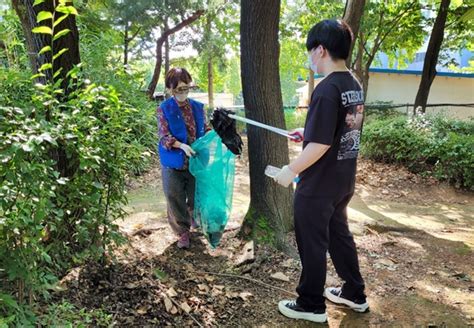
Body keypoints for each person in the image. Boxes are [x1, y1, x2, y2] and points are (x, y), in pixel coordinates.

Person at [274, 19, 369, 323]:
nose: (309, 57)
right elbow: (341, 129)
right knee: (339, 235)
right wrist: (309, 130)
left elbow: (321, 146)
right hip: (343, 180)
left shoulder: (326, 89)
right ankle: (354, 293)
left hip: (318, 185)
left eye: (310, 51)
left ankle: (310, 304)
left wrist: (290, 169)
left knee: (312, 242)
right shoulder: (352, 84)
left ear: (321, 49)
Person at [157, 67, 210, 249]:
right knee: (175, 197)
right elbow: (164, 136)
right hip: (173, 162)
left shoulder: (197, 107)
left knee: (196, 196)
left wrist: (215, 136)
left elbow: (206, 129)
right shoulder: (164, 109)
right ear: (170, 89)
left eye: (186, 88)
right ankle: (182, 232)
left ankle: (194, 221)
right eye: (179, 89)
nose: (183, 92)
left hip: (196, 161)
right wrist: (181, 145)